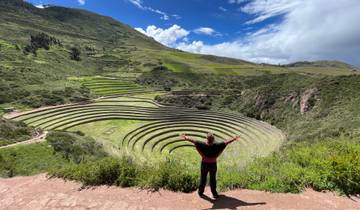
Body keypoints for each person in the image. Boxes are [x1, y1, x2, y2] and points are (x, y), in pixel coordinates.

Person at [180, 132, 240, 199]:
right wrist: (234, 138)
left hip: (204, 164)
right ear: (213, 139)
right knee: (213, 179)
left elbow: (194, 141)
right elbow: (226, 142)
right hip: (213, 165)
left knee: (203, 179)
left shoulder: (202, 144)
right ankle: (214, 193)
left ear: (207, 139)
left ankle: (200, 192)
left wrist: (186, 138)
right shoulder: (217, 145)